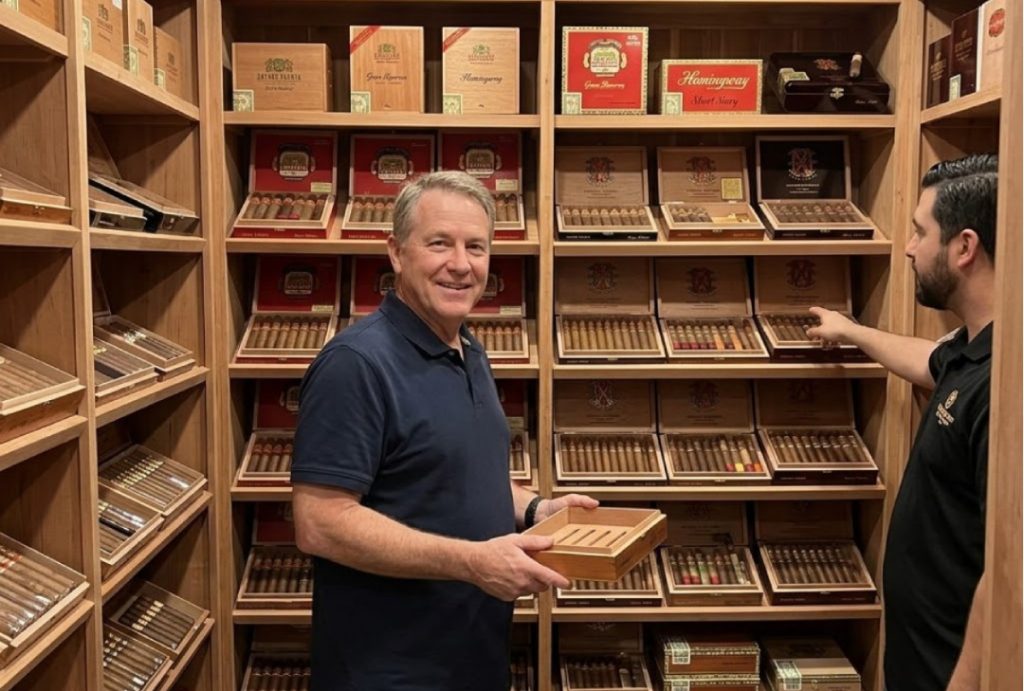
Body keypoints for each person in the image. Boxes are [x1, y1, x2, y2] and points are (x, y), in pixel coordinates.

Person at [290, 171, 598, 691]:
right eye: (439, 244)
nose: (460, 264)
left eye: (475, 247)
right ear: (396, 252)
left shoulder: (468, 348)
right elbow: (319, 523)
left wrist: (533, 510)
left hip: (469, 657)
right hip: (388, 672)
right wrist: (472, 562)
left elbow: (457, 478)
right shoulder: (356, 363)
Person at [807, 153, 998, 691]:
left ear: (964, 247)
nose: (909, 247)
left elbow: (1008, 571)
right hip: (920, 656)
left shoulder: (1005, 387)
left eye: (920, 232)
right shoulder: (972, 350)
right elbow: (928, 361)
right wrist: (854, 331)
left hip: (953, 670)